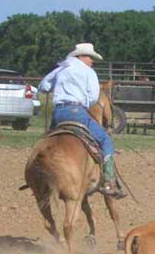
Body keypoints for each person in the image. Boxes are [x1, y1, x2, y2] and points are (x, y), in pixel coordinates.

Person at [39, 43, 122, 197]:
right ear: (81, 57)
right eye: (90, 57)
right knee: (105, 140)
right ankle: (109, 181)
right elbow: (92, 97)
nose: (92, 61)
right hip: (77, 111)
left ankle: (39, 176)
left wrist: (58, 86)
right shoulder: (88, 72)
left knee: (46, 141)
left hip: (57, 114)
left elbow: (43, 86)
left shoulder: (60, 69)